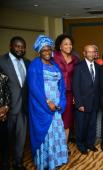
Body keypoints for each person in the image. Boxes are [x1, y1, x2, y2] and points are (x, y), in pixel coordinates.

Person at [28, 35, 68, 170]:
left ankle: (57, 159)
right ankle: (47, 162)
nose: (46, 52)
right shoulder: (35, 65)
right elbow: (34, 88)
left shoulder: (54, 64)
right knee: (47, 133)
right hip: (42, 106)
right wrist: (47, 102)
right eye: (44, 50)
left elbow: (61, 84)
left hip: (56, 106)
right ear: (39, 51)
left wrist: (61, 101)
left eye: (48, 49)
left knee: (56, 131)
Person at [0, 36, 30, 170]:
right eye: (17, 46)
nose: (20, 49)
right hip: (7, 109)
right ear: (11, 46)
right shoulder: (1, 61)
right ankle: (4, 163)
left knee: (21, 139)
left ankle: (18, 163)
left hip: (23, 108)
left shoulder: (28, 62)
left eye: (23, 47)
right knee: (5, 139)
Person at [72, 45, 100, 154]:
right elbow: (75, 86)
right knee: (81, 126)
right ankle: (81, 145)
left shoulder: (97, 66)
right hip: (83, 103)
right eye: (89, 52)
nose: (91, 54)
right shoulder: (79, 67)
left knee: (92, 124)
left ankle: (90, 144)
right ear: (84, 53)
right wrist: (79, 103)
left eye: (93, 52)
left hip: (95, 102)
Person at [53, 34, 78, 150]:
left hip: (69, 94)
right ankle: (54, 146)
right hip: (55, 93)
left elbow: (77, 78)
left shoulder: (75, 59)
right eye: (65, 44)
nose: (69, 46)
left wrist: (75, 95)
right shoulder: (53, 57)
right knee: (55, 120)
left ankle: (64, 146)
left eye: (70, 44)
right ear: (60, 46)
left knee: (67, 121)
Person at [0, 69, 10, 170]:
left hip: (2, 116)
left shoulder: (3, 76)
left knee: (4, 141)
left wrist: (5, 108)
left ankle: (5, 163)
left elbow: (7, 93)